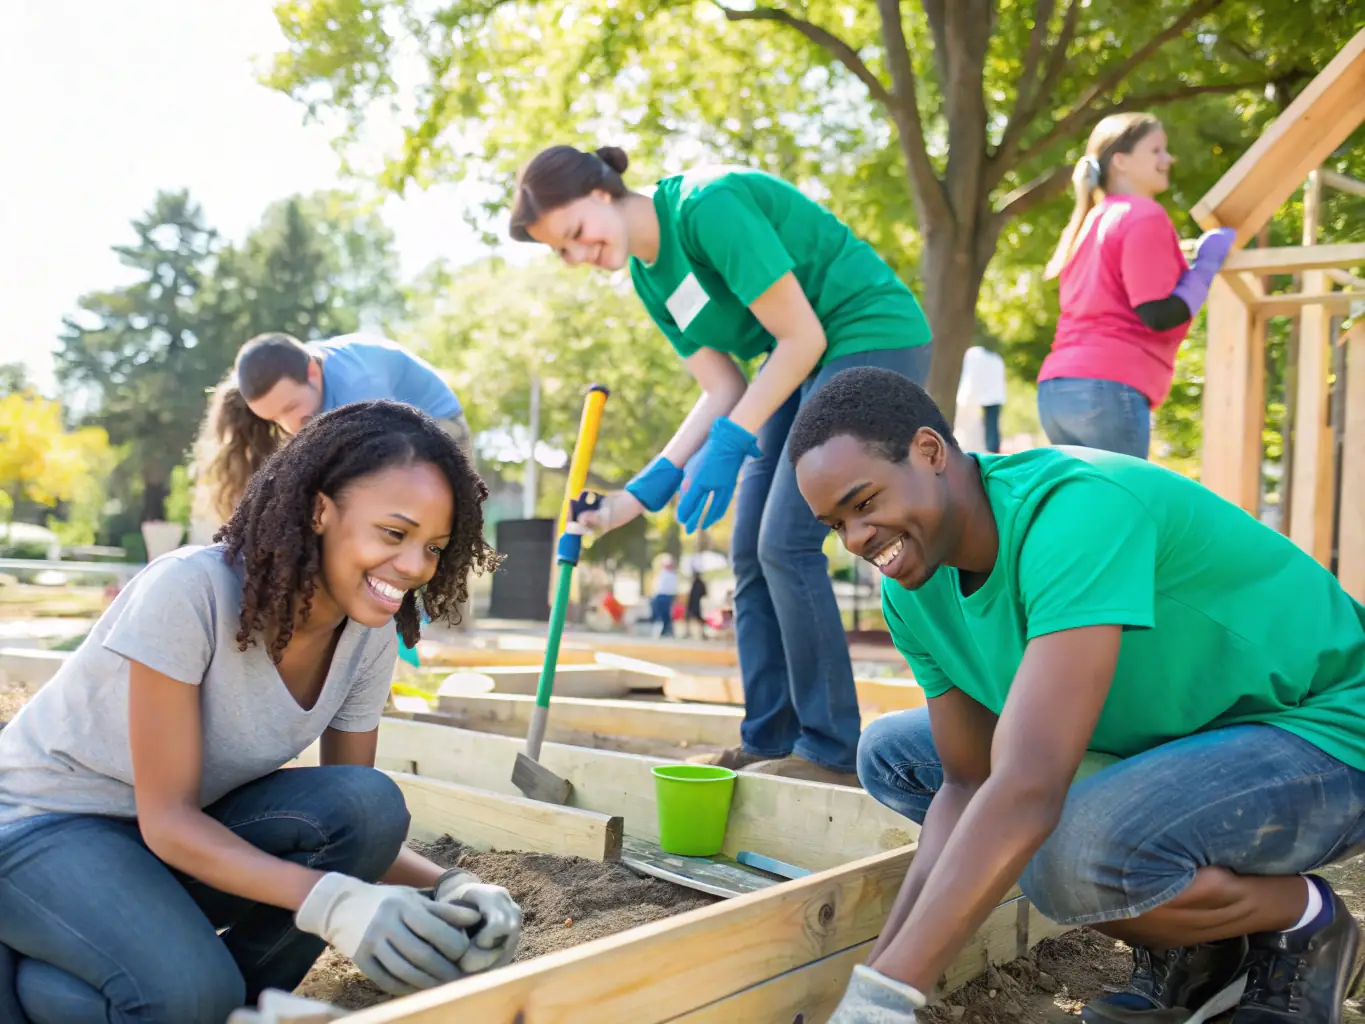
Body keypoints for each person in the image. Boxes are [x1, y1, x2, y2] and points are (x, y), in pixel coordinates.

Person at [787, 366, 1365, 1024]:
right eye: (835, 525)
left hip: (1323, 730)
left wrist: (883, 999)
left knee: (1069, 858)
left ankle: (1304, 920)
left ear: (928, 451)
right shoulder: (913, 595)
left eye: (864, 503)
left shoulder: (1074, 511)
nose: (856, 540)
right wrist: (874, 987)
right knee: (895, 755)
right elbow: (966, 783)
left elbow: (1028, 785)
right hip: (1187, 734)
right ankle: (1202, 947)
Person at [0, 401, 513, 1024]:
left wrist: (451, 884)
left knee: (368, 804)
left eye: (433, 547)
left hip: (165, 846)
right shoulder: (190, 592)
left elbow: (361, 826)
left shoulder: (370, 634)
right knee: (189, 994)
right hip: (41, 828)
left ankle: (234, 1003)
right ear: (320, 510)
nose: (413, 566)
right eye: (393, 533)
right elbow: (168, 820)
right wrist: (335, 905)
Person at [509, 144, 934, 786]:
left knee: (785, 542)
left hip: (868, 333)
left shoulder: (708, 207)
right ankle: (769, 739)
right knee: (749, 552)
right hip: (798, 365)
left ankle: (831, 751)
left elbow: (802, 337)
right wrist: (638, 494)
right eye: (561, 252)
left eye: (574, 234)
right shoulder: (650, 278)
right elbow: (722, 388)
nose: (577, 256)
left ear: (600, 193)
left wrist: (732, 441)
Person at [193, 332, 479, 632]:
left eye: (290, 407)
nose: (289, 425)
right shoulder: (299, 386)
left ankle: (450, 627)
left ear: (313, 371)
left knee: (435, 530)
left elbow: (382, 472)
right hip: (385, 431)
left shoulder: (360, 385)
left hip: (441, 426)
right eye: (274, 419)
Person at [1037, 112, 1237, 459]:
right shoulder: (1143, 214)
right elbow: (1157, 314)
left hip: (1058, 390)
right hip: (1107, 387)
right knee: (1122, 495)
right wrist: (1204, 269)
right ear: (1121, 161)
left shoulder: (1090, 221)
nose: (1168, 159)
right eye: (1156, 150)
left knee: (1090, 496)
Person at [955, 344, 1007, 453]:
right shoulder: (997, 359)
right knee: (992, 426)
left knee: (972, 425)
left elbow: (969, 376)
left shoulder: (973, 354)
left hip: (980, 394)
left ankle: (984, 450)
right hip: (995, 395)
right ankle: (992, 451)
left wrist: (965, 395)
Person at [649, 554, 679, 638]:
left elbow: (672, 588)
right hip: (659, 595)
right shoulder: (661, 574)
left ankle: (667, 630)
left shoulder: (673, 575)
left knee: (666, 614)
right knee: (659, 613)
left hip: (667, 596)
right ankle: (663, 630)